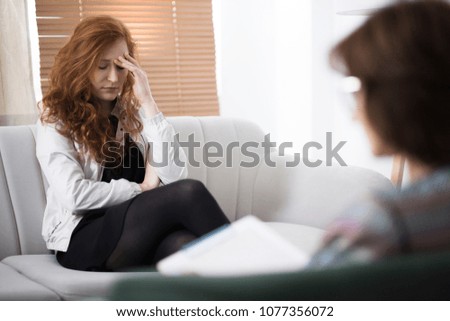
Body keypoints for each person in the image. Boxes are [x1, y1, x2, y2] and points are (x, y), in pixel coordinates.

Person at [36, 16, 230, 271]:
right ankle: (266, 275)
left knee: (186, 245)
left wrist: (148, 100)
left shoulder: (134, 114)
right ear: (82, 66)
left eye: (120, 66)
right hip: (84, 237)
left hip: (138, 232)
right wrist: (142, 187)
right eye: (102, 66)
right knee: (190, 192)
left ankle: (246, 294)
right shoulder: (56, 116)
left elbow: (174, 176)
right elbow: (75, 196)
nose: (114, 78)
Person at [307, 0, 450, 268]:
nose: (356, 114)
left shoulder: (384, 223)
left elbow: (302, 304)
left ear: (398, 98)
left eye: (358, 92)